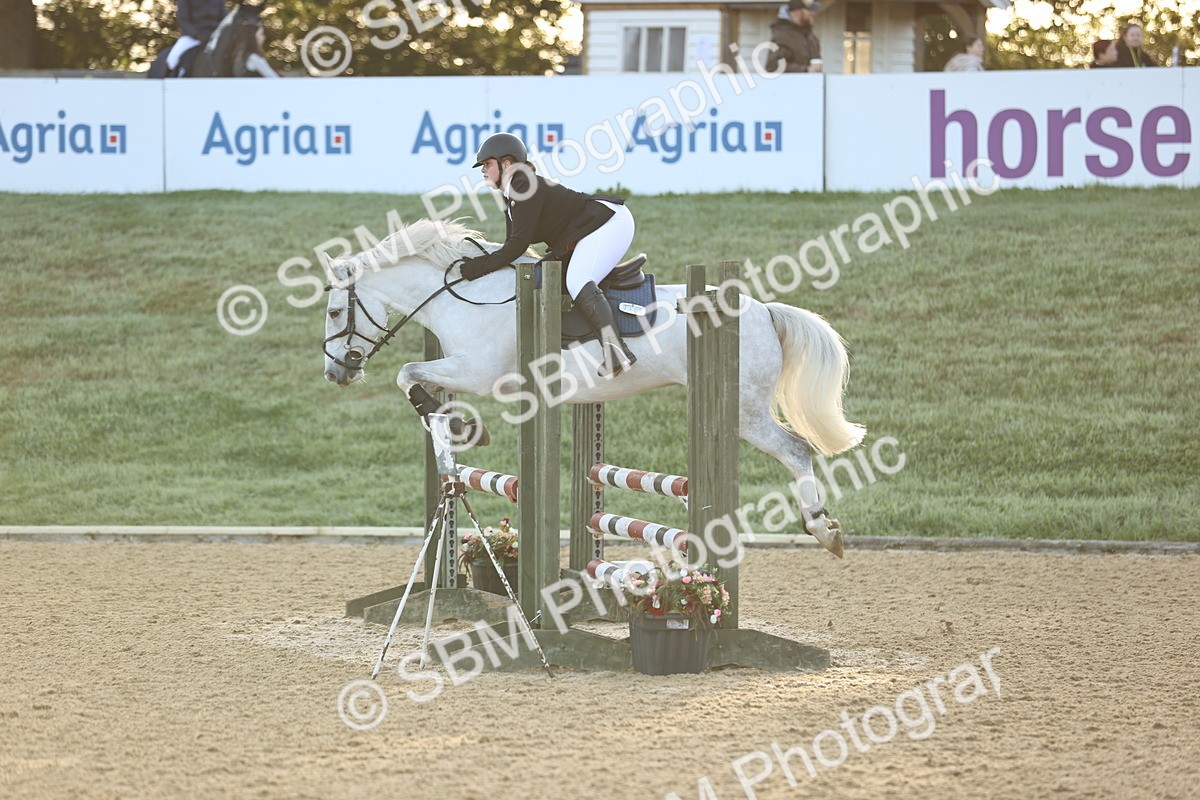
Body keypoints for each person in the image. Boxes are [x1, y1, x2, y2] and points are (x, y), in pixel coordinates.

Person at [458, 133, 639, 378]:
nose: (483, 170)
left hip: (609, 222)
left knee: (577, 280)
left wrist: (478, 267)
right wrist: (483, 262)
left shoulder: (524, 187)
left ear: (507, 164)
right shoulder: (511, 194)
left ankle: (617, 351)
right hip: (587, 231)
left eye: (487, 164)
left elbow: (518, 246)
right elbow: (511, 244)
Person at [166, 0, 227, 75]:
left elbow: (224, 20)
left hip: (214, 37)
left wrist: (217, 34)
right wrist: (196, 35)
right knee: (172, 59)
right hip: (191, 38)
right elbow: (182, 20)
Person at [765, 0, 822, 74]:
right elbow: (773, 66)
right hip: (790, 84)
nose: (812, 13)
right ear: (796, 12)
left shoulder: (811, 37)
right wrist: (805, 69)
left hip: (810, 84)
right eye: (808, 10)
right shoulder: (783, 36)